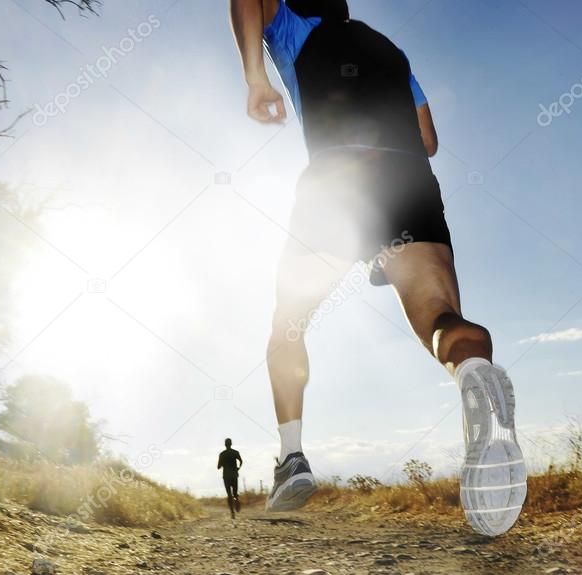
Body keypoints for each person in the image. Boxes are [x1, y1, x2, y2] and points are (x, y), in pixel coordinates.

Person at [228, 0, 526, 535]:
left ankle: (291, 457)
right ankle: (474, 373)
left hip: (336, 182)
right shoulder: (389, 49)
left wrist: (255, 77)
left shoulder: (293, 27)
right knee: (440, 318)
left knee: (287, 324)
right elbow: (429, 140)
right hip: (410, 179)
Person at [217, 438, 243, 518]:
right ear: (231, 444)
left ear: (225, 444)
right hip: (234, 475)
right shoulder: (235, 452)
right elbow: (241, 461)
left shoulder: (222, 454)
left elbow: (218, 467)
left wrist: (223, 464)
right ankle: (236, 501)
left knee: (229, 494)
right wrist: (238, 468)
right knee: (235, 494)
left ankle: (232, 512)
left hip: (226, 476)